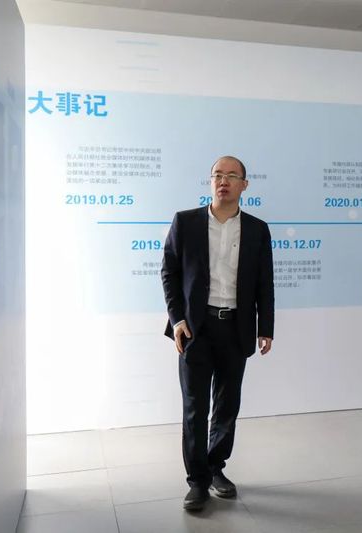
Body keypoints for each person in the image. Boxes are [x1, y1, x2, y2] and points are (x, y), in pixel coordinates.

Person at [161, 155, 275, 512]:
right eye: (217, 175)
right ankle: (196, 481)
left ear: (244, 185)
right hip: (195, 329)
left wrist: (265, 328)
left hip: (236, 327)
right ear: (211, 182)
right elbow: (169, 273)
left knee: (227, 406)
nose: (223, 181)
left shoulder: (257, 229)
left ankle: (215, 468)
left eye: (231, 175)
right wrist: (177, 320)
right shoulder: (186, 222)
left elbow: (265, 283)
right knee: (195, 407)